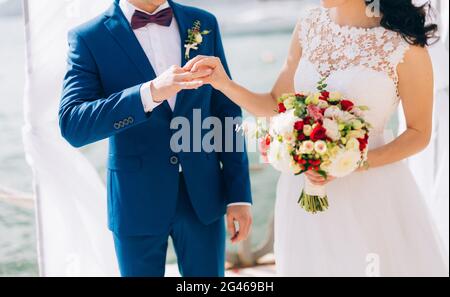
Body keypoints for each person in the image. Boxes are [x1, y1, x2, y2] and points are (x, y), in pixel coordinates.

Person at [184, 0, 449, 276]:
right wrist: (224, 84)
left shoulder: (403, 44)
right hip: (302, 194)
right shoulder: (309, 25)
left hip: (372, 194)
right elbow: (277, 103)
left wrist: (353, 163)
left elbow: (419, 133)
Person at [59, 0, 252, 277]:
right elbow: (73, 124)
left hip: (204, 196)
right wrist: (149, 93)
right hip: (136, 200)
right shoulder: (89, 37)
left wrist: (239, 195)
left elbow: (226, 111)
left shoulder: (203, 23)